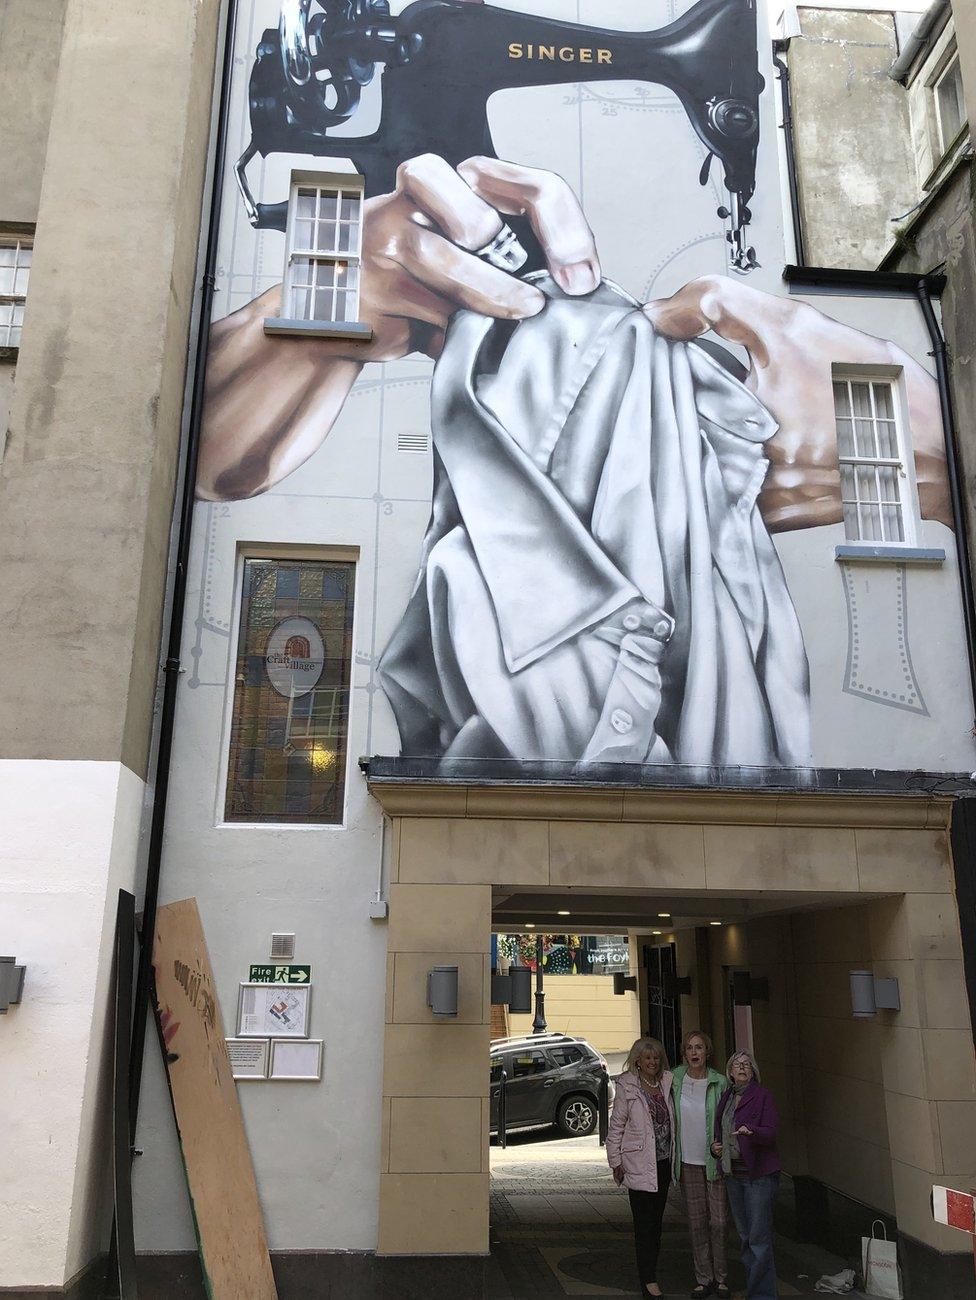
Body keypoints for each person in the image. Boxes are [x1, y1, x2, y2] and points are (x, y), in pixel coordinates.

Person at [606, 1036, 676, 1299]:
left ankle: (651, 1272)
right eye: (647, 1058)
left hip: (662, 1163)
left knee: (656, 1224)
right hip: (637, 1163)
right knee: (644, 1225)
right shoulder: (629, 1086)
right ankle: (648, 1278)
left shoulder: (668, 1082)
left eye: (656, 1057)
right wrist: (615, 1161)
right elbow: (616, 1126)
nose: (653, 1062)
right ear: (638, 1060)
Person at [711, 1050, 781, 1300]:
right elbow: (719, 1132)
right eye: (737, 1065)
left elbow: (771, 1132)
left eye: (747, 1065)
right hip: (733, 1175)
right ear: (730, 1072)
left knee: (758, 1238)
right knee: (744, 1237)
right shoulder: (727, 1097)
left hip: (758, 1176)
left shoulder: (762, 1096)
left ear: (753, 1072)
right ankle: (757, 1290)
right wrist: (715, 1147)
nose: (742, 1068)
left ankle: (762, 1295)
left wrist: (752, 1131)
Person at [672, 1030, 730, 1299]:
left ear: (708, 1052)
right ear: (684, 1053)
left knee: (718, 1222)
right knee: (696, 1224)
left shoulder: (719, 1082)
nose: (694, 1053)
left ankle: (721, 1278)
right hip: (687, 1162)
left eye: (699, 1048)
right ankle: (703, 1278)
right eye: (689, 1048)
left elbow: (728, 1120)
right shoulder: (674, 1079)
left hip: (713, 1162)